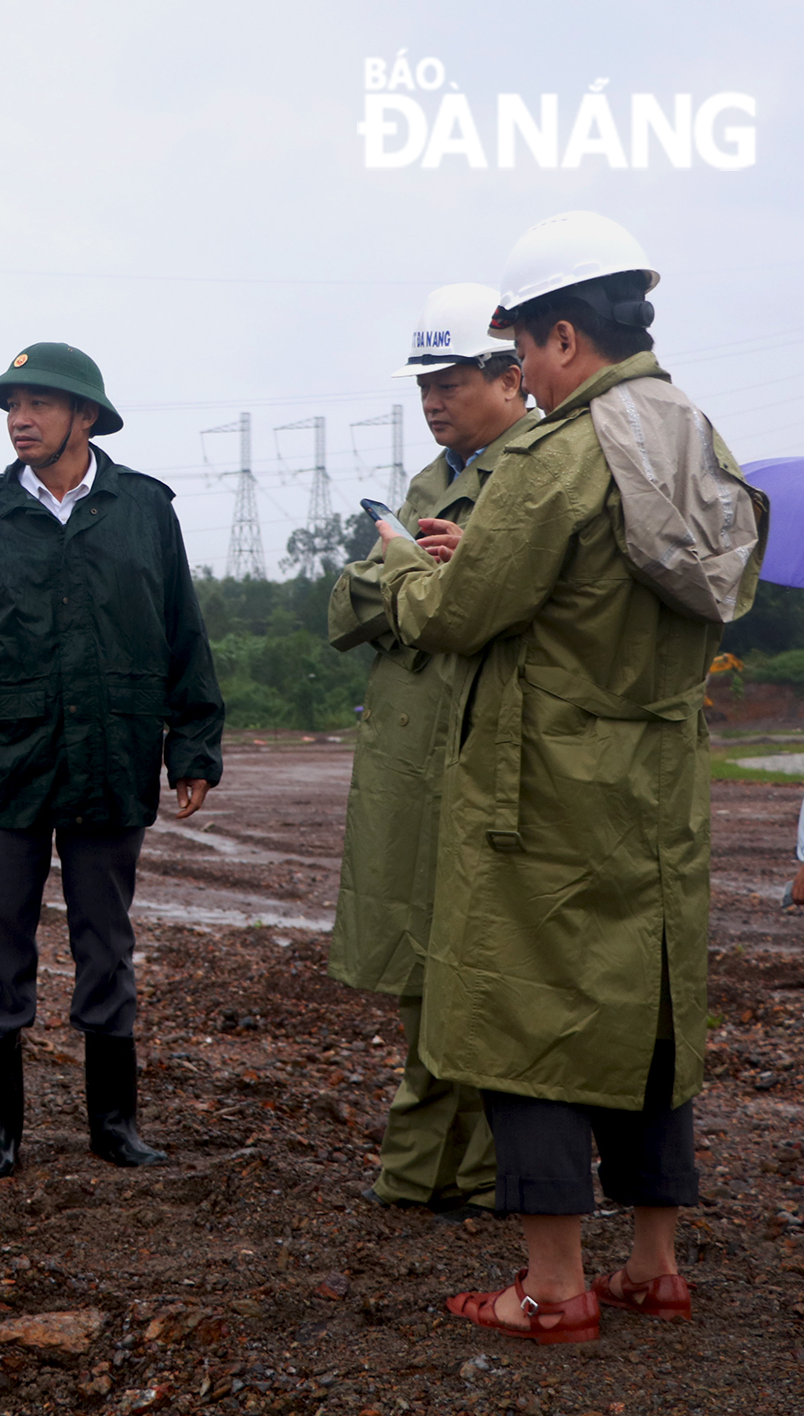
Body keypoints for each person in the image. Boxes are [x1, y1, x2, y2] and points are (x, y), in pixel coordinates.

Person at [375, 212, 767, 1342]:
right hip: (653, 773)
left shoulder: (559, 454)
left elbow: (460, 618)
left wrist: (411, 572)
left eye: (524, 354)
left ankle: (550, 1286)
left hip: (539, 781)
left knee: (522, 1016)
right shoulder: (692, 433)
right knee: (645, 1010)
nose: (523, 380)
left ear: (556, 339)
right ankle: (652, 1262)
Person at [0, 343, 225, 1180]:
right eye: (12, 405)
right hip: (5, 766)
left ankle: (113, 1124)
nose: (20, 418)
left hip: (110, 757)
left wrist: (193, 744)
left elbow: (182, 635)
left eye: (40, 403)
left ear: (85, 416)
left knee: (105, 939)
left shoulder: (145, 511)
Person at [327, 283, 539, 1218]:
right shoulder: (429, 481)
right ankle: (423, 1174)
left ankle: (480, 1173)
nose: (434, 402)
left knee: (489, 965)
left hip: (490, 744)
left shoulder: (539, 471)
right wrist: (421, 569)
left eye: (451, 382)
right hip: (415, 751)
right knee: (420, 958)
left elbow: (478, 608)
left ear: (512, 376)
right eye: (425, 387)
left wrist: (447, 570)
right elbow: (349, 607)